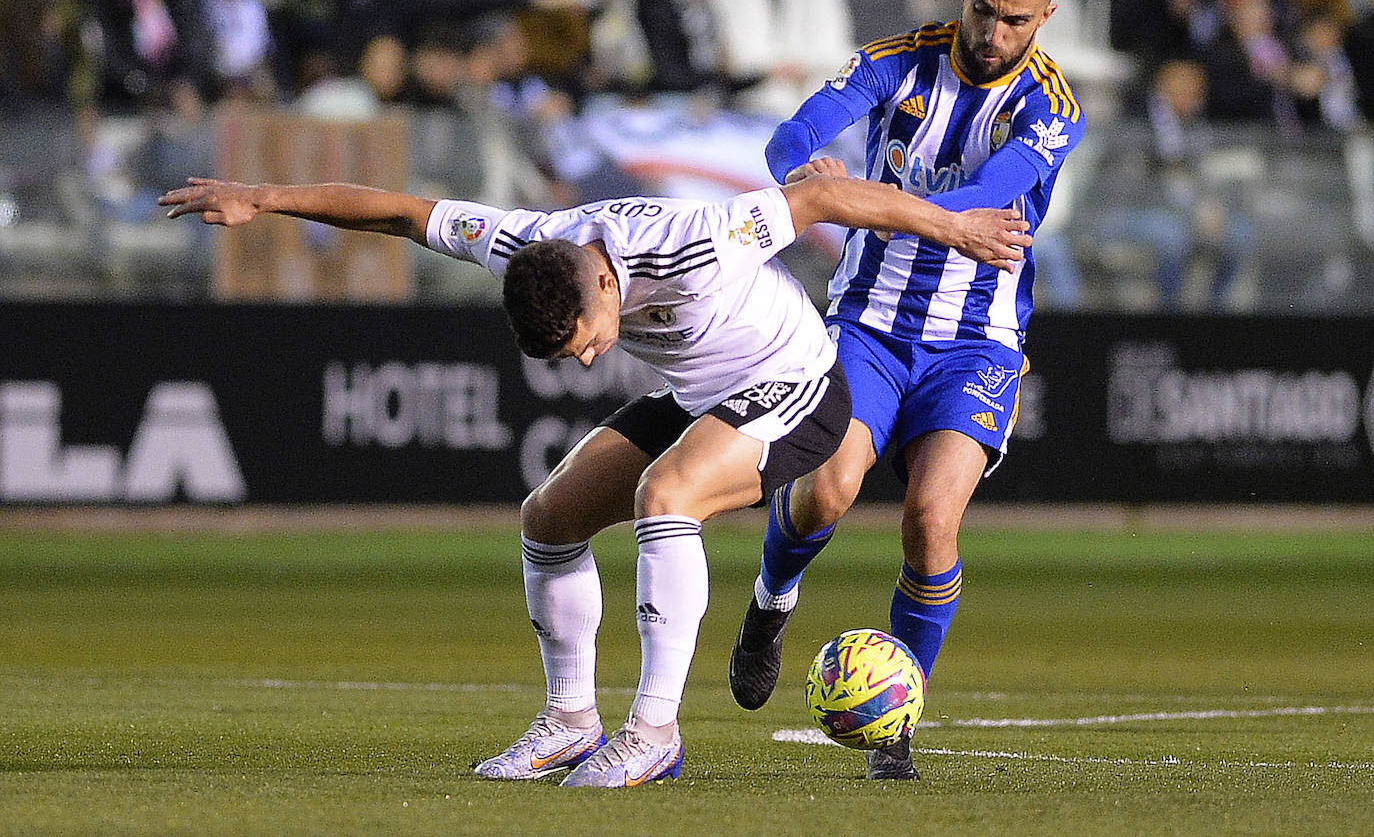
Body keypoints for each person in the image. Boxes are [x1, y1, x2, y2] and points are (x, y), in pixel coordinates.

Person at [158, 172, 1030, 788]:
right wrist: (264, 199)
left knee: (666, 496)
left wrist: (958, 230)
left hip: (798, 384)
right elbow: (401, 212)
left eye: (583, 333)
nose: (581, 355)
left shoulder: (696, 243)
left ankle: (652, 733)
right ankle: (572, 722)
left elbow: (823, 199)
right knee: (549, 517)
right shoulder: (529, 248)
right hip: (704, 393)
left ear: (607, 280)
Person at [726, 0, 1084, 781]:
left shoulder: (1052, 108)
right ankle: (771, 603)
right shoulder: (895, 60)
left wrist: (844, 198)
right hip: (868, 324)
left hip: (978, 343)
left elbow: (989, 196)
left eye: (1018, 22)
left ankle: (896, 723)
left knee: (931, 523)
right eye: (986, 11)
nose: (996, 36)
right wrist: (806, 165)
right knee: (829, 491)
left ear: (1048, 16)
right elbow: (793, 137)